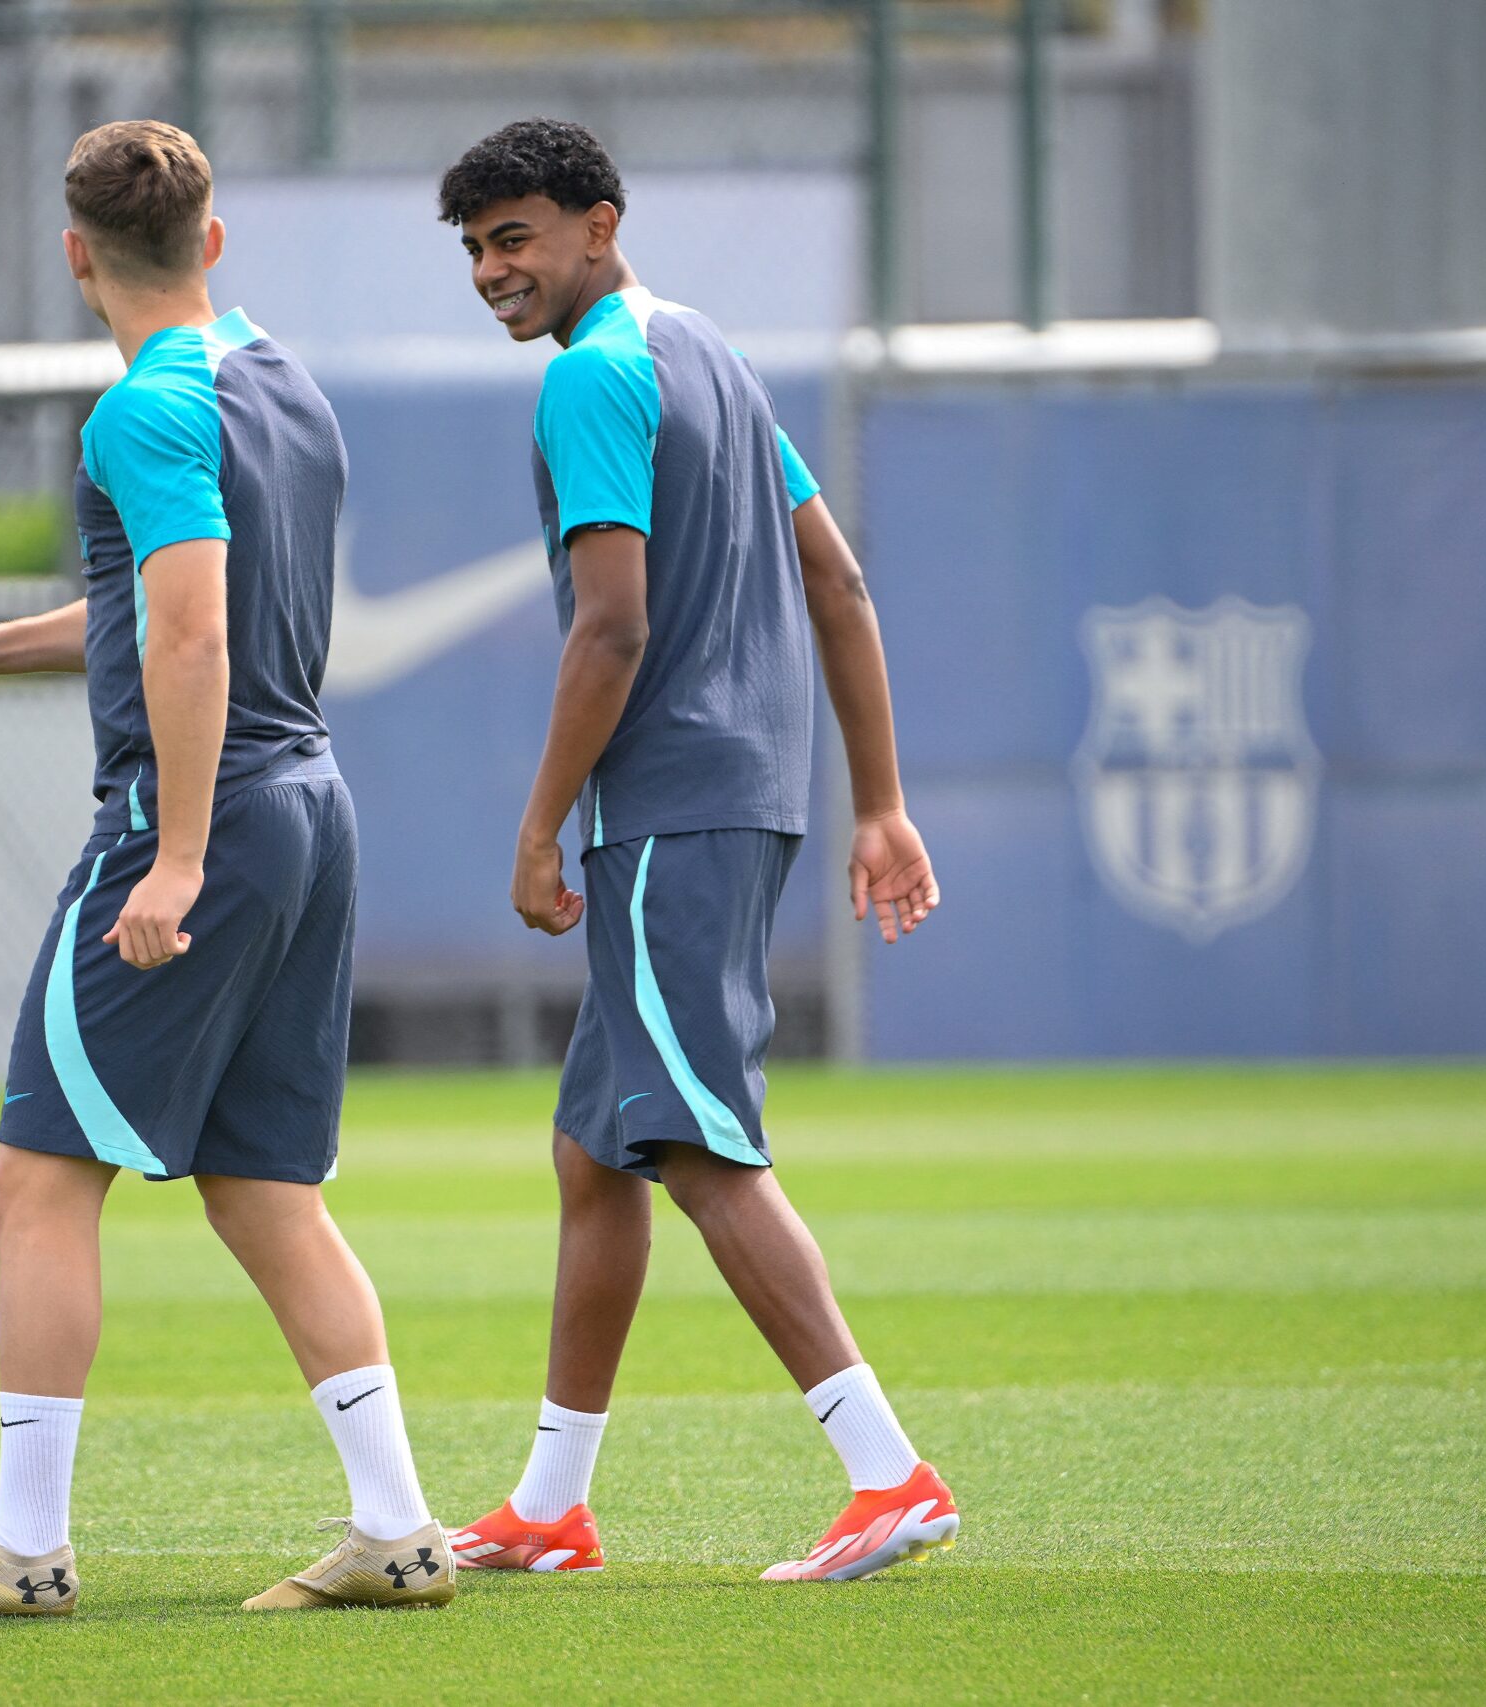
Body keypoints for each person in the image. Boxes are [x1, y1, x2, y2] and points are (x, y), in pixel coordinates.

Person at [0, 119, 453, 1619]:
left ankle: (25, 1548)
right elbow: (159, 601)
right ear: (213, 241)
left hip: (209, 816)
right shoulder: (282, 385)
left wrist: (170, 858)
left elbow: (191, 635)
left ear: (74, 258)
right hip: (310, 805)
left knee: (38, 1182)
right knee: (264, 1191)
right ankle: (399, 1530)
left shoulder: (142, 411)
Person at [434, 117, 959, 1584]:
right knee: (596, 1153)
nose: (493, 270)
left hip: (666, 813)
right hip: (742, 795)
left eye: (516, 236)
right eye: (475, 248)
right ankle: (551, 1504)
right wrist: (880, 801)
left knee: (693, 1145)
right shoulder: (705, 350)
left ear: (599, 224)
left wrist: (540, 828)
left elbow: (614, 625)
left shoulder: (594, 376)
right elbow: (836, 578)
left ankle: (888, 1471)